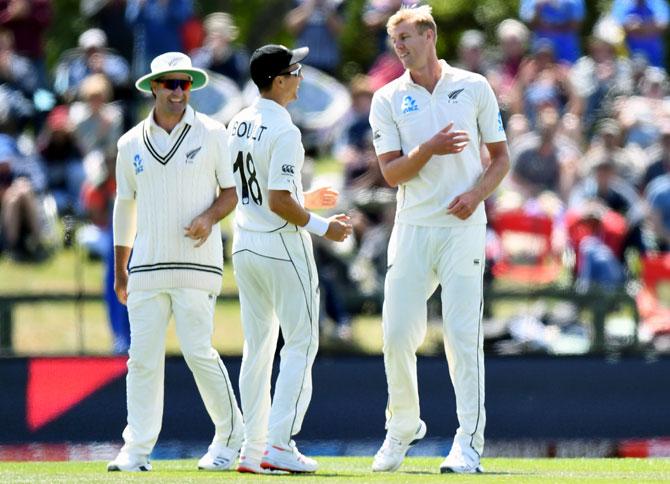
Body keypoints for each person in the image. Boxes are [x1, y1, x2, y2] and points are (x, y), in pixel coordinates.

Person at [368, 6, 510, 474]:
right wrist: (428, 149)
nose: (401, 48)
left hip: (463, 228)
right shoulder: (387, 97)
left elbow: (501, 159)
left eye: (407, 38)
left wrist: (475, 195)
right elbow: (391, 173)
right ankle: (402, 426)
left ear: (430, 35)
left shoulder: (473, 86)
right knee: (395, 336)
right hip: (412, 228)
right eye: (395, 42)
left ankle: (468, 444)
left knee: (462, 338)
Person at [107, 51, 243, 472]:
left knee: (198, 350)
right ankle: (137, 449)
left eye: (184, 84)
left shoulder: (214, 133)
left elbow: (231, 192)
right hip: (146, 265)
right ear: (153, 87)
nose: (179, 91)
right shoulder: (129, 143)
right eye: (170, 84)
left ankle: (231, 437)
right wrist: (120, 269)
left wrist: (207, 218)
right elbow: (124, 206)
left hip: (197, 263)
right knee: (141, 359)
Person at [227, 44, 352, 474]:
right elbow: (279, 201)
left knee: (258, 347)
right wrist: (324, 227)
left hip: (245, 244)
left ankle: (251, 447)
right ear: (278, 81)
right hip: (281, 244)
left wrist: (308, 200)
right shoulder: (286, 130)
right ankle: (279, 445)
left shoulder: (239, 120)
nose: (302, 76)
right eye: (295, 70)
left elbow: (254, 190)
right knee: (301, 342)